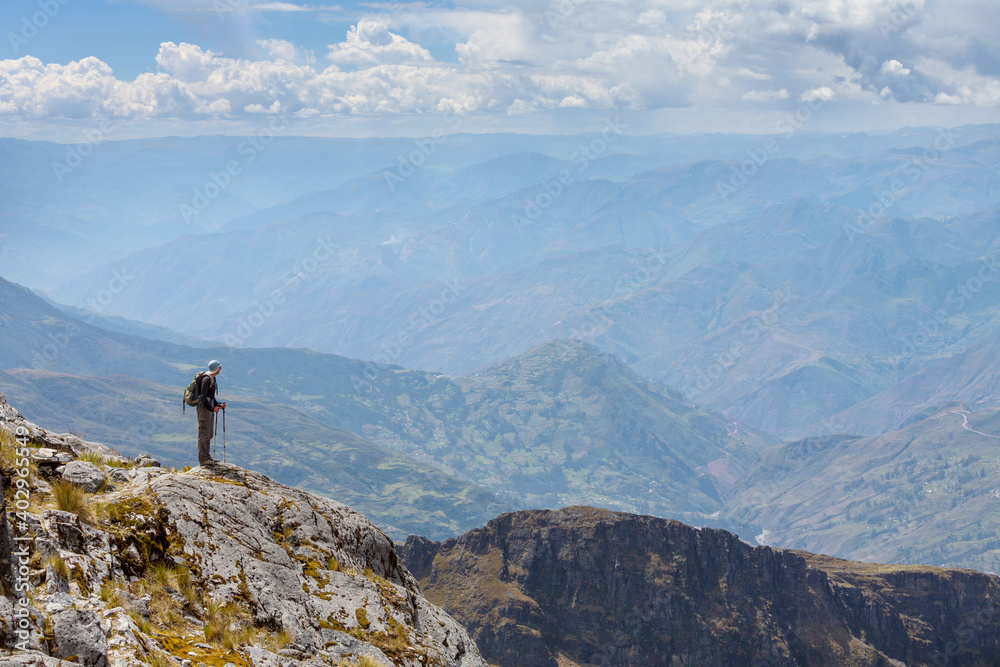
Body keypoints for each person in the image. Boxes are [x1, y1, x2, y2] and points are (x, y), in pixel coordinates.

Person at [197, 360, 226, 465]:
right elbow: (203, 397)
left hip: (208, 407)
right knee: (204, 433)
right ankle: (203, 459)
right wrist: (211, 408)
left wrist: (218, 405)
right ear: (217, 368)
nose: (220, 369)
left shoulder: (212, 378)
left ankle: (207, 456)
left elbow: (211, 397)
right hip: (204, 408)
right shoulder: (206, 379)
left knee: (208, 433)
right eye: (220, 367)